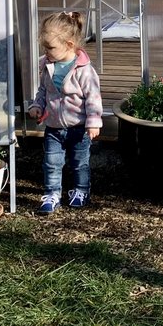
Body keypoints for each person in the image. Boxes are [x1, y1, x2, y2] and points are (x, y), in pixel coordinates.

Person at [27, 11, 103, 214]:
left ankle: (81, 191)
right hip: (53, 128)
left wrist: (93, 121)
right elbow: (43, 90)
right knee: (51, 163)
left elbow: (93, 97)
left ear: (69, 44)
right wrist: (37, 106)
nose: (46, 51)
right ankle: (52, 194)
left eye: (50, 47)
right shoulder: (47, 65)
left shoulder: (84, 70)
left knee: (79, 163)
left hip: (78, 128)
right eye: (45, 47)